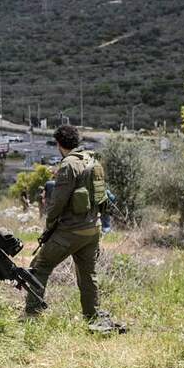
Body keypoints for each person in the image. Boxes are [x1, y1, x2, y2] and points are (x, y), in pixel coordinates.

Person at [26, 125, 114, 328]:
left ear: (59, 144)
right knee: (88, 274)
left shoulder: (68, 165)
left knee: (40, 266)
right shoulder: (91, 160)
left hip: (70, 231)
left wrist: (49, 226)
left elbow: (57, 202)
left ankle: (32, 314)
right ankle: (92, 316)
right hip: (92, 228)